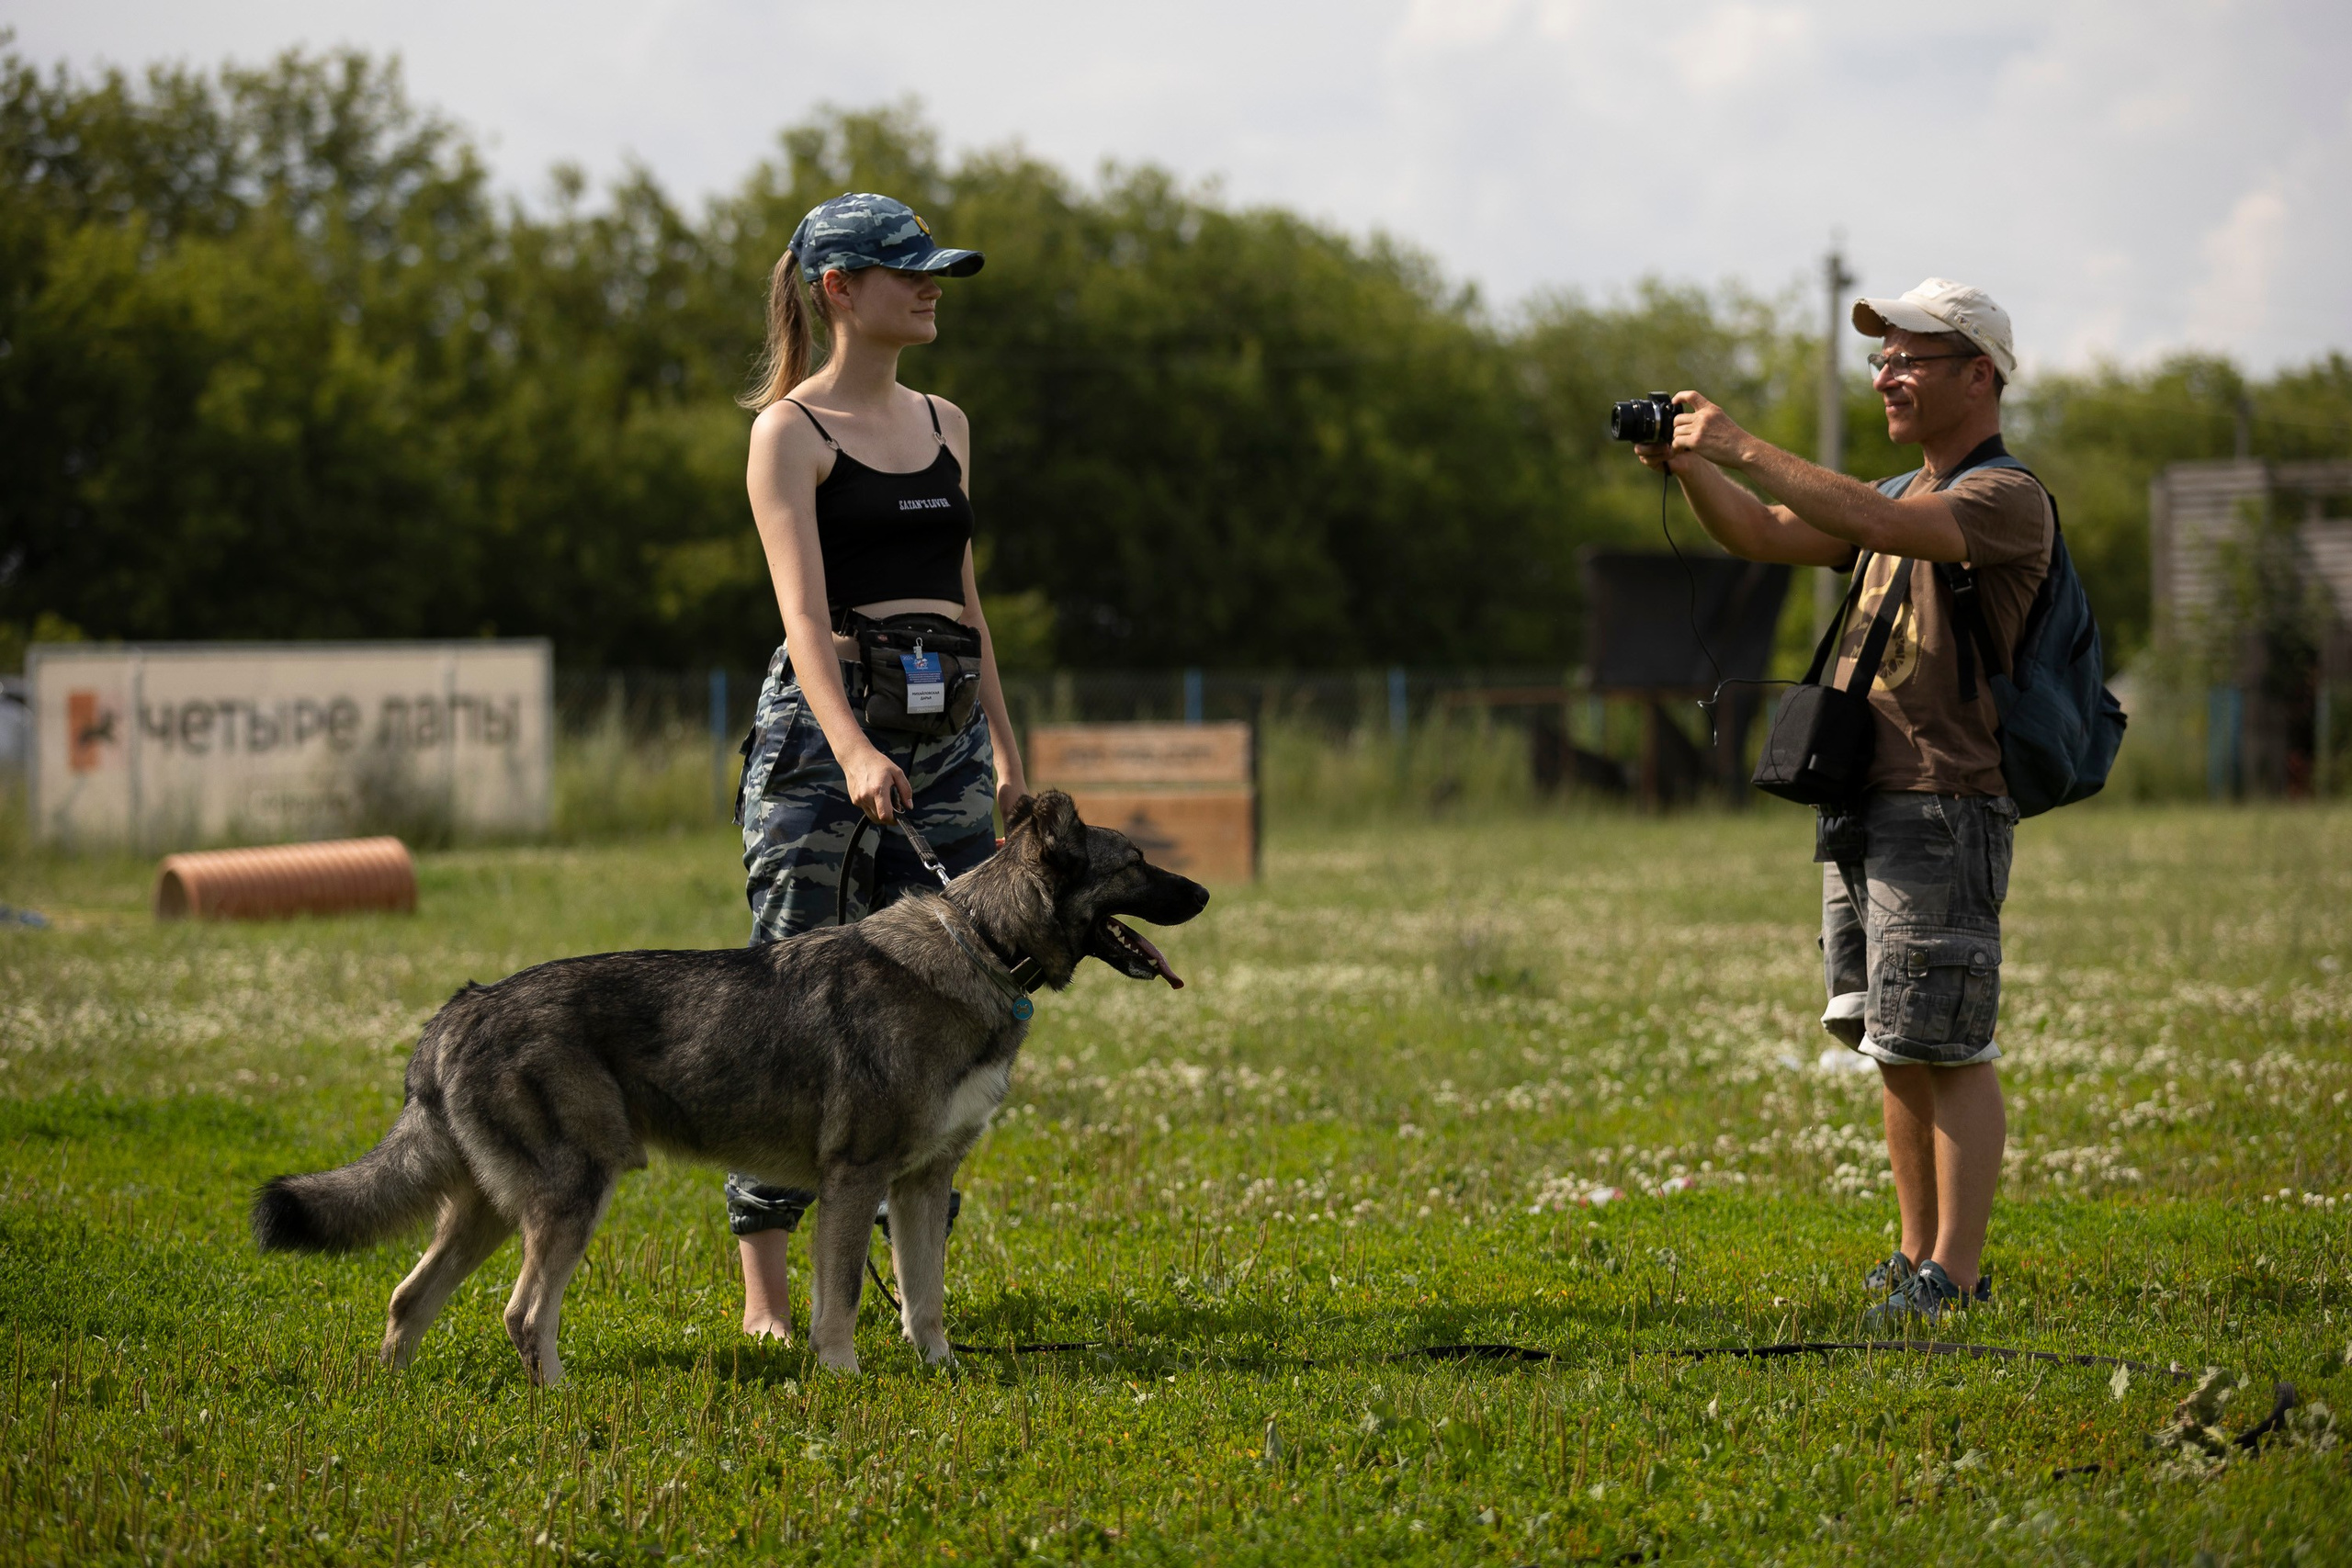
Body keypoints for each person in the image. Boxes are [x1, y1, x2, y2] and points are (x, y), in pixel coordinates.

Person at [1633, 278, 2050, 1321]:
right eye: (1880, 359)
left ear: (1980, 376)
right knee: (1888, 1039)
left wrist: (1739, 441)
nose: (1885, 376)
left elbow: (1854, 515)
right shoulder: (1895, 497)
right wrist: (1691, 466)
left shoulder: (2003, 499)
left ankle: (1954, 1272)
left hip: (1945, 801)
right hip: (1863, 798)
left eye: (1910, 358)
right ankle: (1914, 1255)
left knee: (1946, 1042)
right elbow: (1766, 533)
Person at [728, 193, 1031, 1340]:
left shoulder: (950, 423)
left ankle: (914, 1291)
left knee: (957, 994)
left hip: (945, 728)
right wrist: (849, 748)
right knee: (786, 1005)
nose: (930, 286)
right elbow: (801, 615)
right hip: (822, 736)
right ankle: (767, 1298)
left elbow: (968, 602)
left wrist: (1003, 746)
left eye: (935, 269)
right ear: (836, 289)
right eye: (905, 272)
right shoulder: (790, 434)